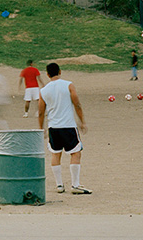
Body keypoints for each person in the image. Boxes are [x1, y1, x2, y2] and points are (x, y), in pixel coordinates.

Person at [36, 61, 89, 195]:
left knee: (55, 154)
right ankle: (75, 184)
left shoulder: (43, 91)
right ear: (60, 72)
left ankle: (59, 185)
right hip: (68, 126)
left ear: (47, 74)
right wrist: (82, 121)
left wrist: (41, 128)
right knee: (76, 153)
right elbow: (77, 104)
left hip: (53, 127)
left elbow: (41, 112)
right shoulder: (68, 85)